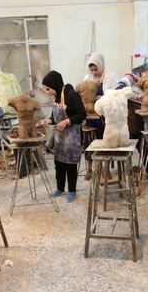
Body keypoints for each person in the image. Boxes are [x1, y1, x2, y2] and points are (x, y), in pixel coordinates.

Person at [41, 70, 86, 202]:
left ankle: (72, 190)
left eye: (48, 88)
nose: (48, 91)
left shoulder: (72, 95)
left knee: (70, 165)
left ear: (55, 84)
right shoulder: (56, 98)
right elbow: (54, 116)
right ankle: (60, 188)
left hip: (71, 137)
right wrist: (48, 120)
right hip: (59, 138)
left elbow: (82, 114)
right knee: (59, 164)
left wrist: (67, 121)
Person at [81, 53, 118, 180]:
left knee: (104, 141)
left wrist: (102, 98)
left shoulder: (110, 77)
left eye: (95, 69)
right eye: (91, 70)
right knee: (88, 141)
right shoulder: (87, 77)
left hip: (104, 116)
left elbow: (115, 95)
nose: (93, 72)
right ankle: (90, 168)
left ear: (101, 66)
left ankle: (105, 169)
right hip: (90, 116)